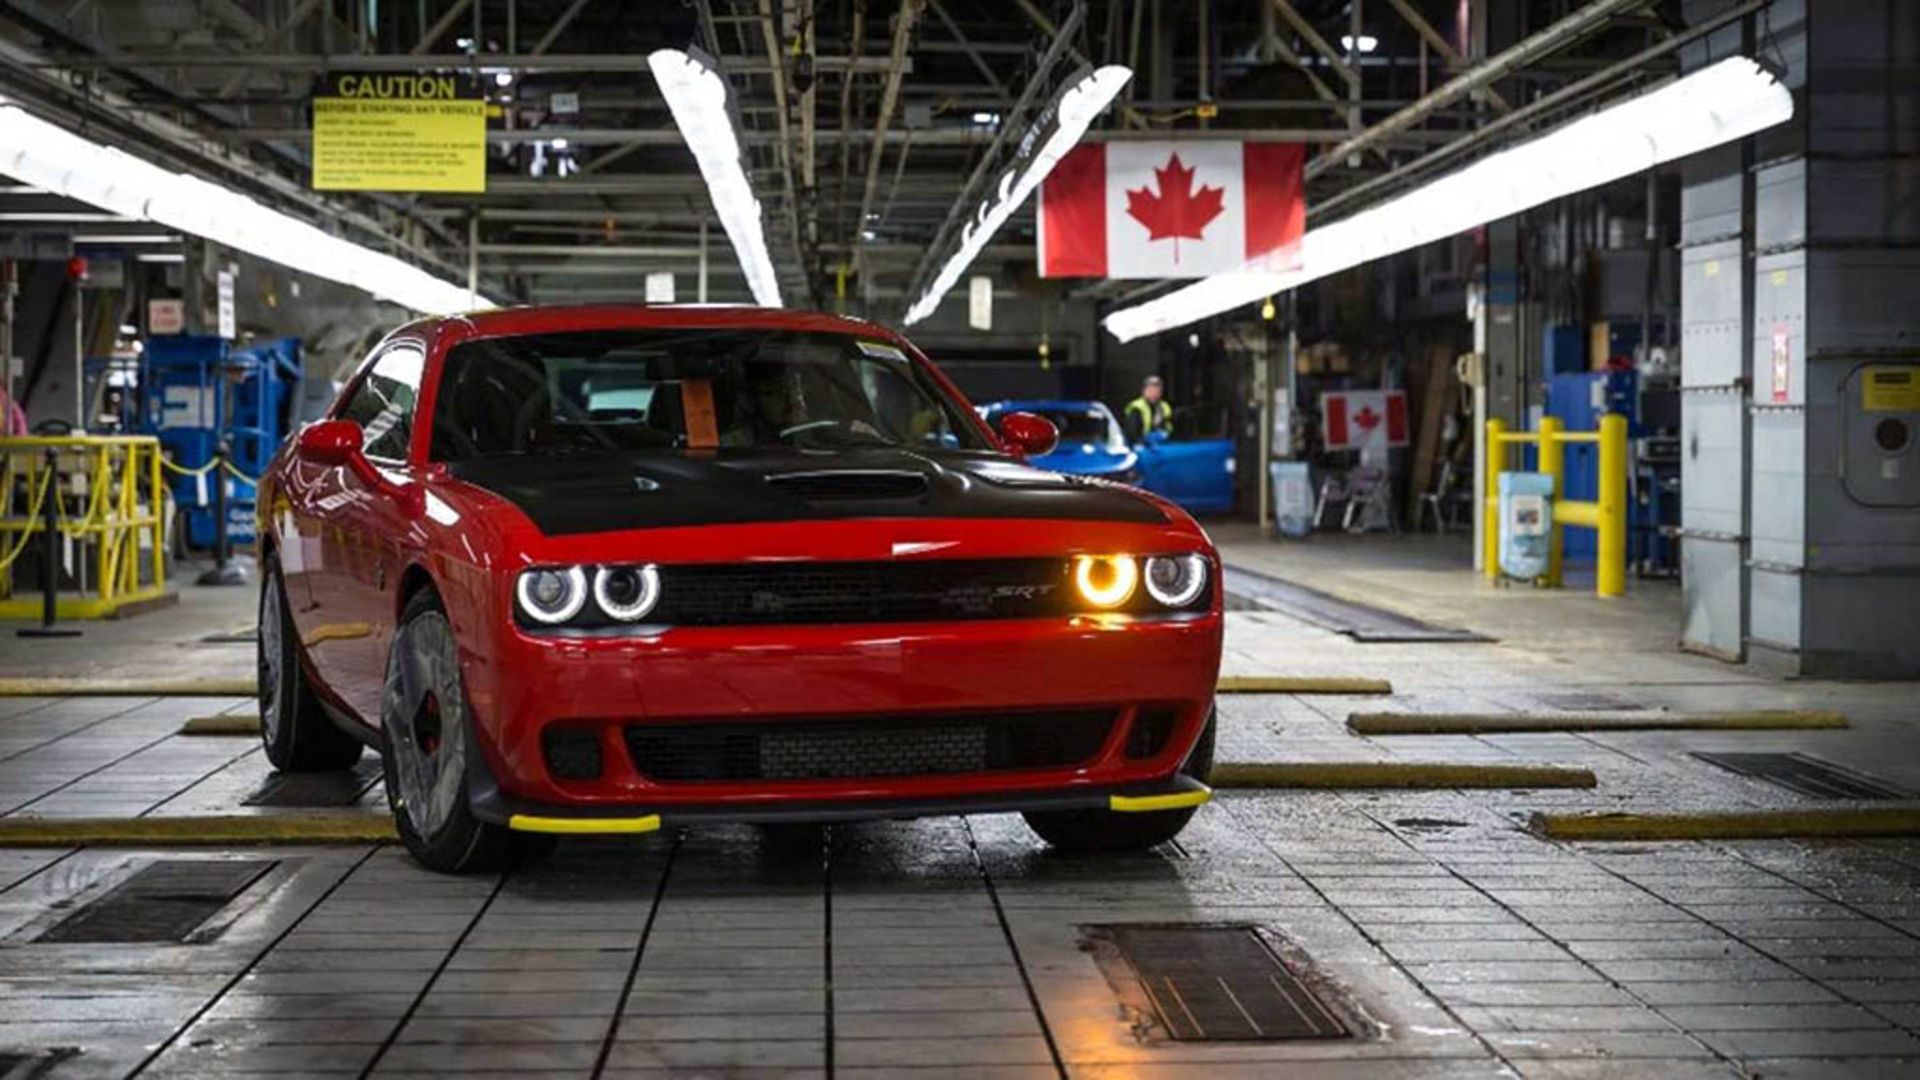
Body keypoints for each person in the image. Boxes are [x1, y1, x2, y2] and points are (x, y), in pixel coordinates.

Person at [1122, 375, 1172, 445]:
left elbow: (1169, 427)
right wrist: (1146, 441)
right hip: (1141, 446)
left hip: (1161, 444)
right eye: (1151, 390)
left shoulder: (1165, 406)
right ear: (1144, 391)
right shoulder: (1137, 407)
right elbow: (1132, 434)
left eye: (1158, 390)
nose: (1154, 393)